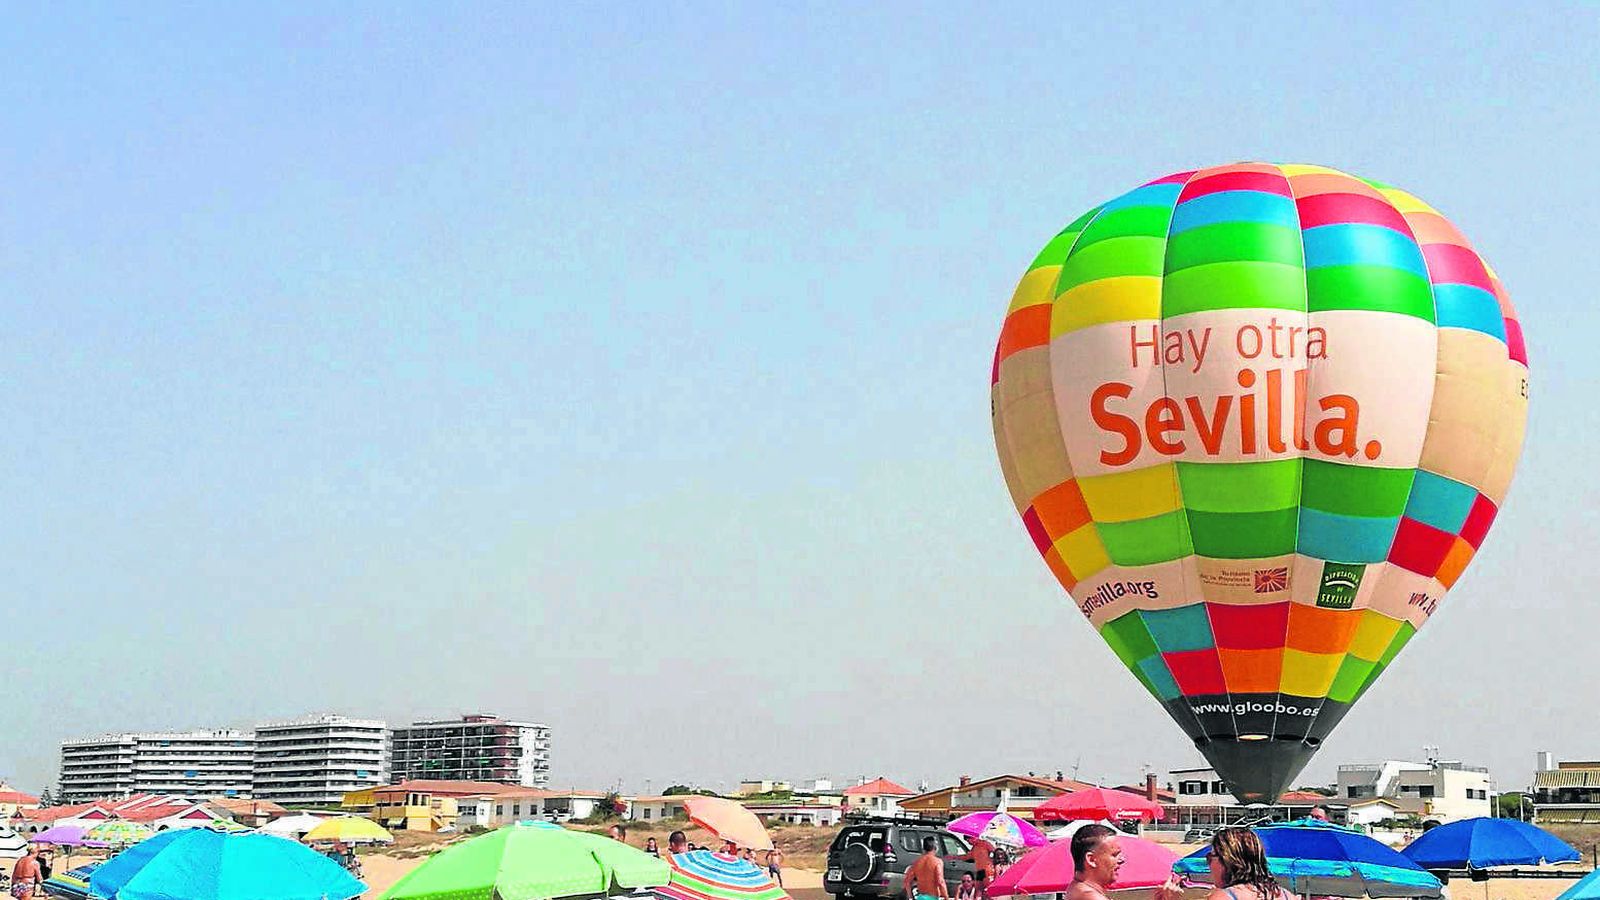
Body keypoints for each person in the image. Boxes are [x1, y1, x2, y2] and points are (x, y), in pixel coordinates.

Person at [1067, 824, 1185, 900]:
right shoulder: (1091, 896)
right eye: (1114, 854)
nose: (1122, 860)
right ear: (1091, 860)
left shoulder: (1078, 889)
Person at [1204, 827, 1297, 900]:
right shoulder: (1287, 896)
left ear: (1226, 860)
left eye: (1210, 857)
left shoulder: (1224, 897)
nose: (1209, 864)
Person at [904, 835, 949, 900]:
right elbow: (940, 881)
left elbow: (907, 881)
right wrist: (946, 897)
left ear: (924, 848)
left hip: (920, 896)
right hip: (932, 897)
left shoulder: (917, 862)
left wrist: (910, 897)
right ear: (935, 847)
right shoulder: (937, 862)